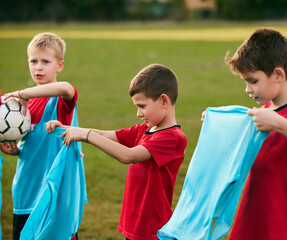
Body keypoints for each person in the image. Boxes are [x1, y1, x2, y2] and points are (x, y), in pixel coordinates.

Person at [202, 28, 287, 240]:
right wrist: (218, 125)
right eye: (245, 82)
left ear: (278, 75)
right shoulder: (264, 112)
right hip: (250, 220)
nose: (248, 89)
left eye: (253, 81)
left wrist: (281, 124)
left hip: (284, 227)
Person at [46, 63, 187, 240]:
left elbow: (129, 156)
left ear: (164, 101)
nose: (138, 113)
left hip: (153, 230)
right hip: (134, 224)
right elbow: (105, 135)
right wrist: (66, 128)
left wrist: (86, 135)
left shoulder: (173, 138)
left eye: (142, 106)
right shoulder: (142, 130)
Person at [0, 32, 81, 240]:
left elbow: (67, 88)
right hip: (25, 188)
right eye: (33, 61)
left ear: (59, 65)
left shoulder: (59, 101)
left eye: (46, 61)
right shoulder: (20, 108)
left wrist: (24, 93)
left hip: (52, 193)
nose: (38, 67)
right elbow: (32, 142)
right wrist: (15, 149)